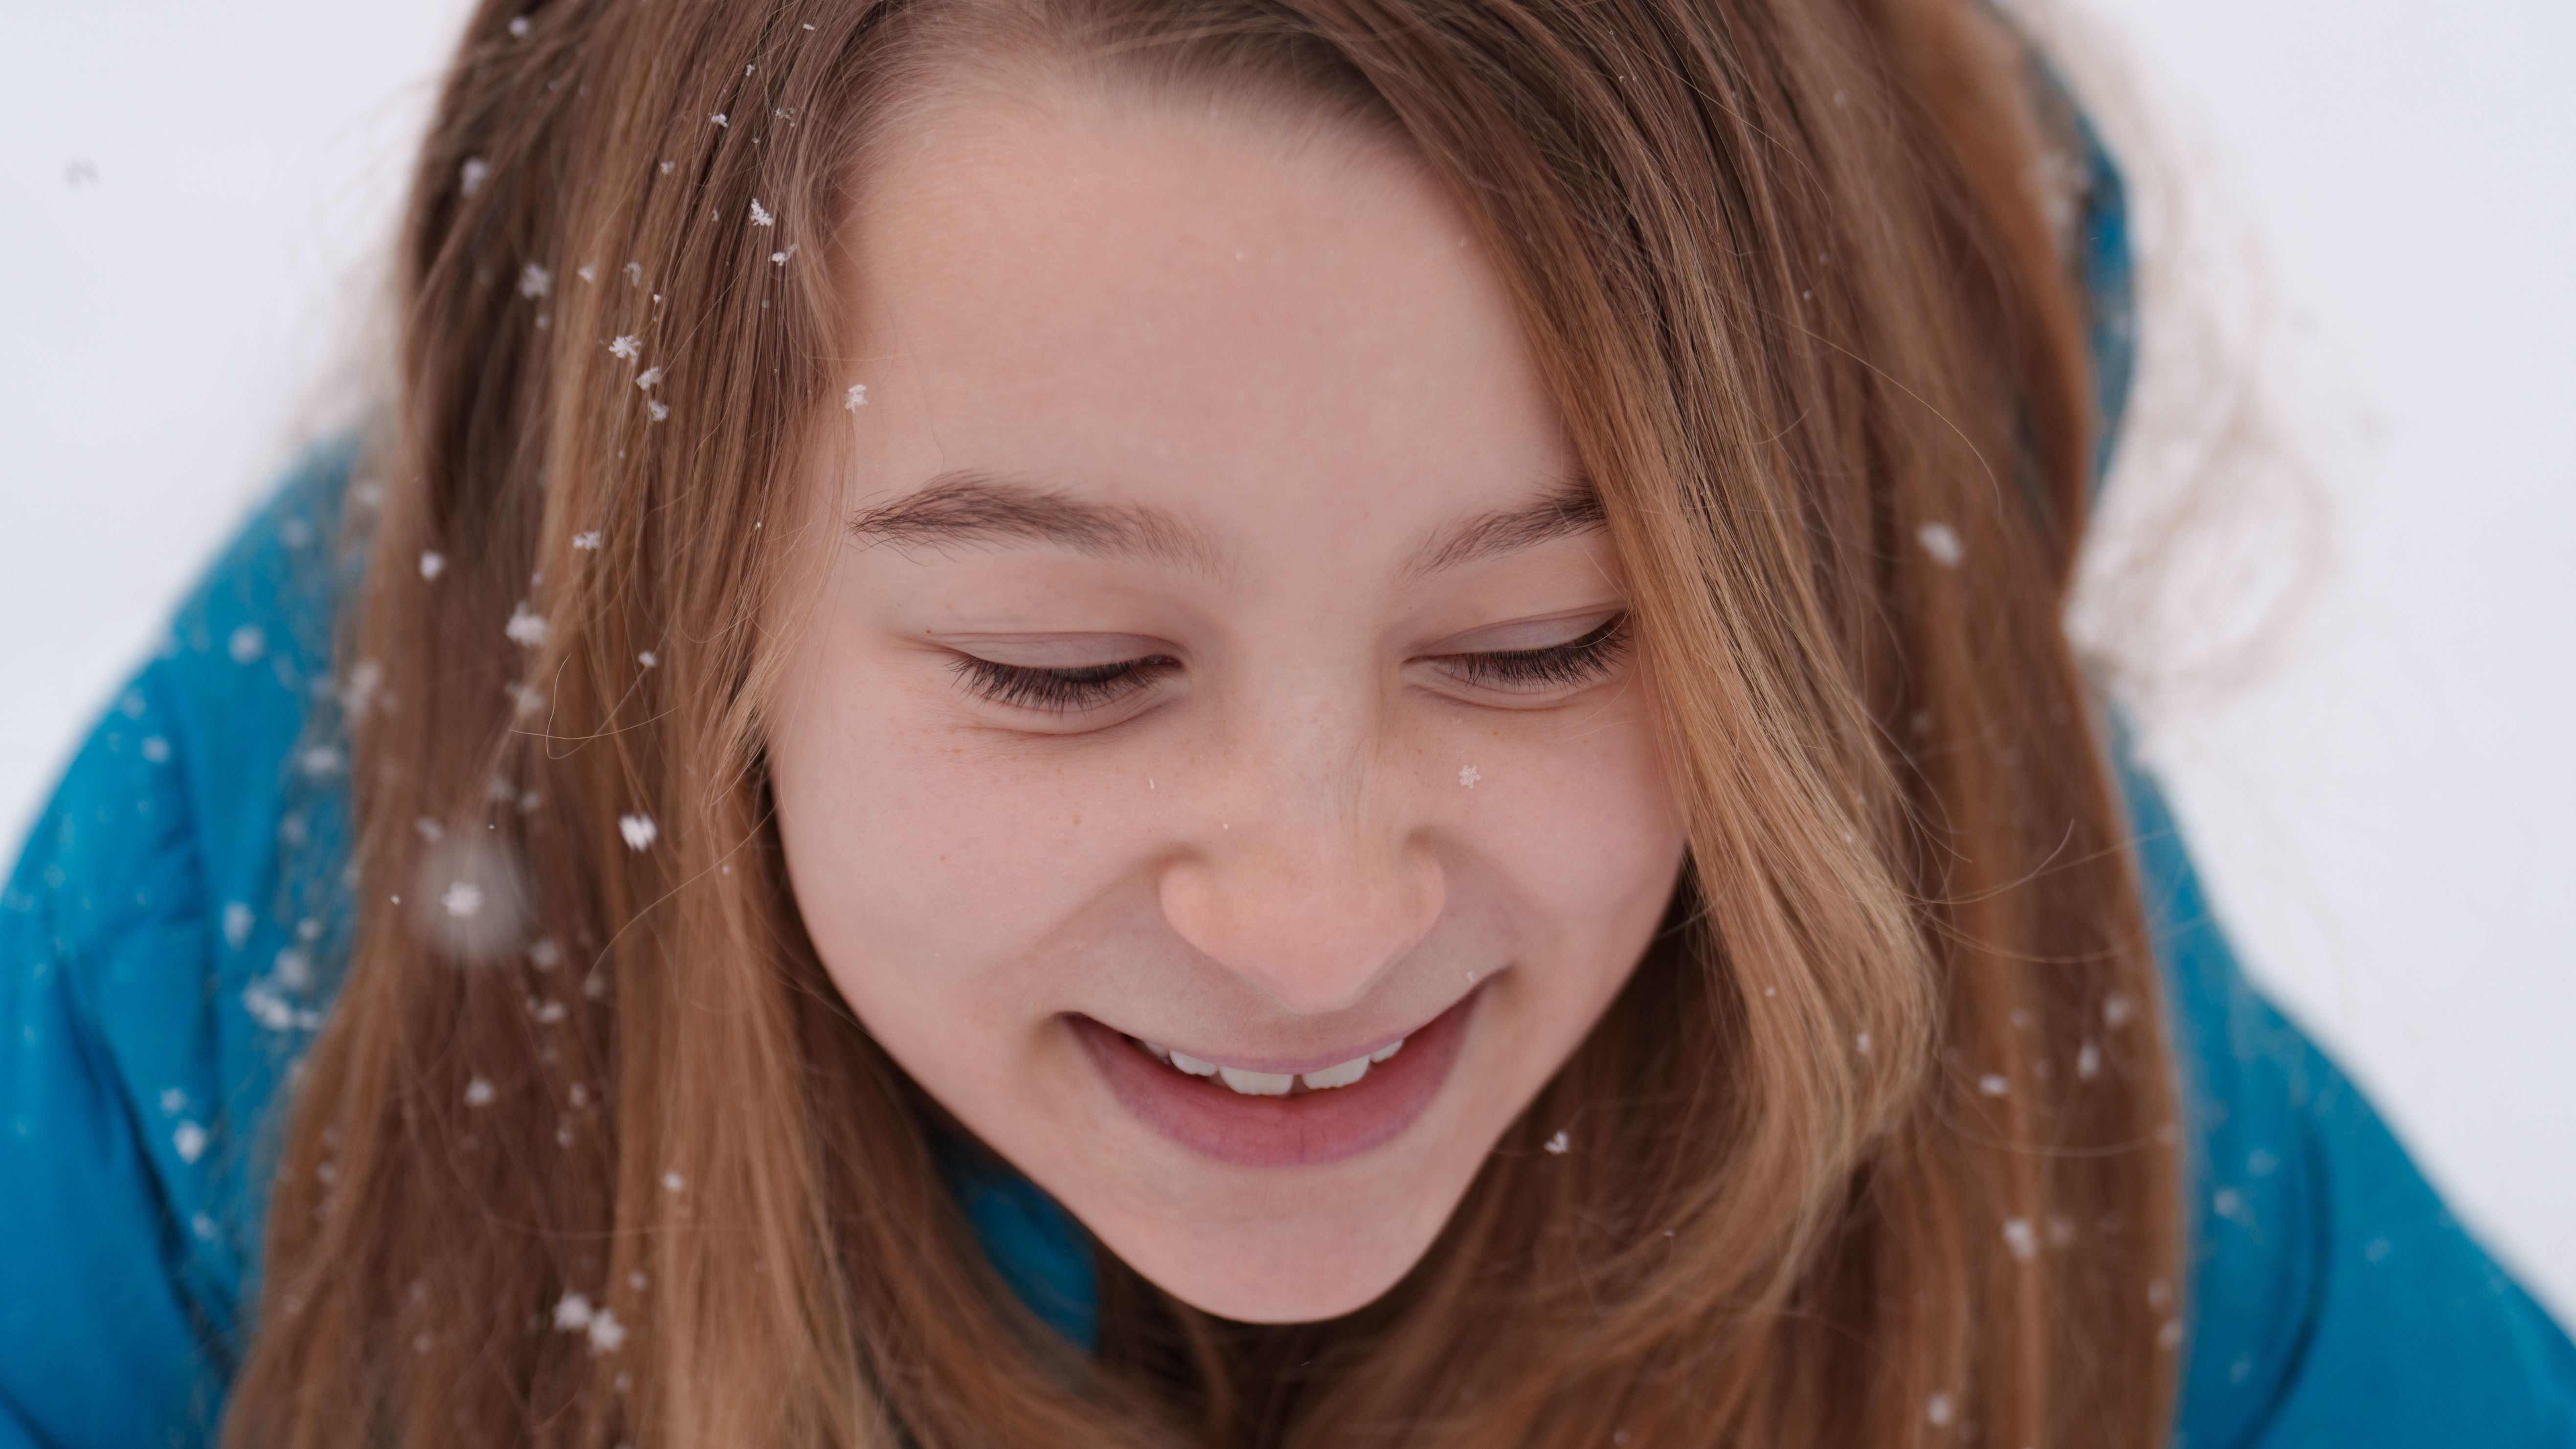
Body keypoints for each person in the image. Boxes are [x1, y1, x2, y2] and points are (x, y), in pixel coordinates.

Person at [3, 0, 2570, 1445]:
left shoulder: (1977, 987)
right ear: (678, 598)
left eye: (1543, 638)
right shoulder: (233, 986)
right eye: (1069, 667)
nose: (1316, 908)